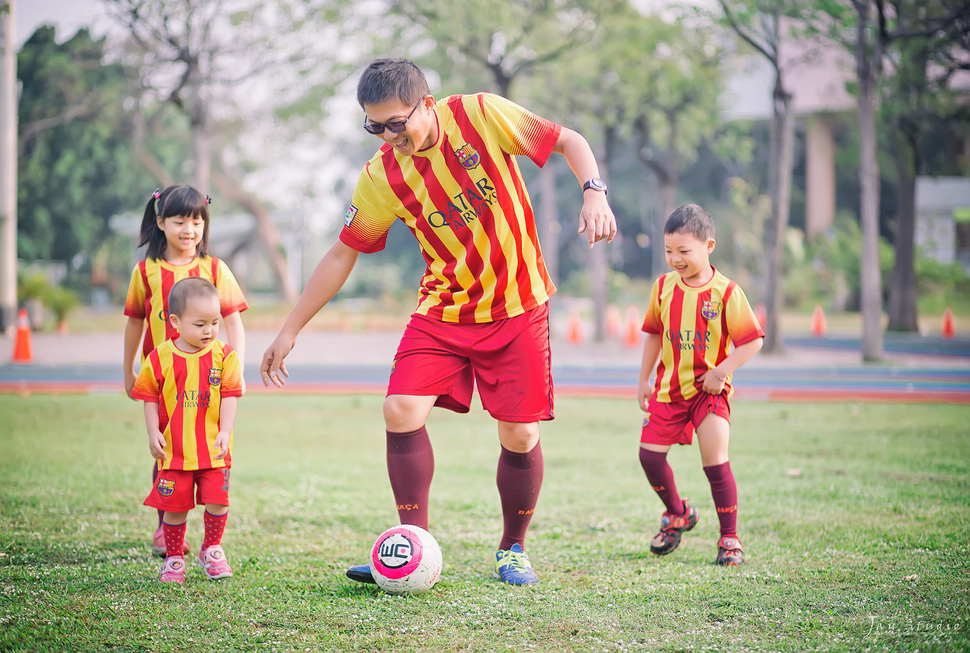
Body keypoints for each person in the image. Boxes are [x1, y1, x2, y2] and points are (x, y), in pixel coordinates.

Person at [260, 57, 616, 586]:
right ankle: (412, 546)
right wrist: (290, 328)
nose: (387, 136)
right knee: (400, 409)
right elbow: (342, 254)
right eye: (374, 126)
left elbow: (570, 140)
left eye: (396, 123)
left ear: (427, 105)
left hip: (518, 305)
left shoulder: (480, 114)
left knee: (519, 434)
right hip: (444, 309)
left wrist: (594, 191)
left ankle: (512, 549)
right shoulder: (381, 176)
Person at [122, 184, 248, 557]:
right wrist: (129, 369)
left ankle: (210, 534)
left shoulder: (215, 268)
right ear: (161, 222)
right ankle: (165, 527)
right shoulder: (145, 272)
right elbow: (134, 323)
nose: (189, 229)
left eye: (197, 221)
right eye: (180, 221)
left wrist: (235, 367)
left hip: (210, 381)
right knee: (164, 451)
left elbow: (233, 321)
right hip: (164, 383)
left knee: (211, 449)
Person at [636, 203, 764, 566]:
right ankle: (678, 513)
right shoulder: (662, 288)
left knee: (715, 461)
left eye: (684, 251)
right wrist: (643, 380)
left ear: (708, 247)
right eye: (669, 251)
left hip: (709, 393)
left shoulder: (726, 292)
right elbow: (652, 335)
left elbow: (753, 341)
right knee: (648, 455)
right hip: (668, 390)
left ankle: (729, 539)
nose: (675, 259)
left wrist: (721, 371)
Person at [131, 277, 243, 583]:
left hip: (213, 449)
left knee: (219, 501)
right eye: (200, 324)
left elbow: (231, 395)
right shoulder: (160, 358)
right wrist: (153, 431)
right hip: (175, 452)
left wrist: (226, 430)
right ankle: (175, 558)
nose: (209, 331)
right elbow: (150, 397)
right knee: (175, 509)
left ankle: (212, 549)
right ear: (176, 322)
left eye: (215, 322)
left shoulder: (225, 355)